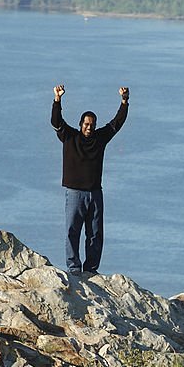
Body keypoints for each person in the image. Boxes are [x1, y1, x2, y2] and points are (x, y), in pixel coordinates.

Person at [51, 83, 129, 276]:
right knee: (72, 231)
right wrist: (57, 100)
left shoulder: (100, 138)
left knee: (95, 234)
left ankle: (91, 269)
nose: (89, 127)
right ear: (80, 124)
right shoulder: (69, 136)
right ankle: (74, 268)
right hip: (74, 193)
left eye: (92, 124)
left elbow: (117, 123)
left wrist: (124, 101)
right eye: (86, 124)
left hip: (95, 193)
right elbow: (56, 121)